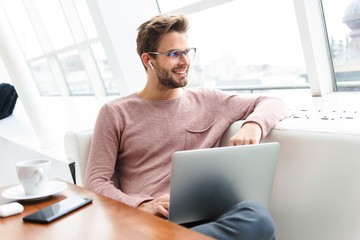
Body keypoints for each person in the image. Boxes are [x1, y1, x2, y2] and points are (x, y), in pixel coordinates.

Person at [85, 14, 288, 240]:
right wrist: (141, 204)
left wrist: (253, 125)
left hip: (208, 214)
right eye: (174, 54)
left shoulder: (210, 101)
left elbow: (274, 102)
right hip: (152, 220)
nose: (185, 61)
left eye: (187, 52)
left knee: (257, 216)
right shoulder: (115, 112)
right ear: (148, 60)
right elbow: (95, 181)